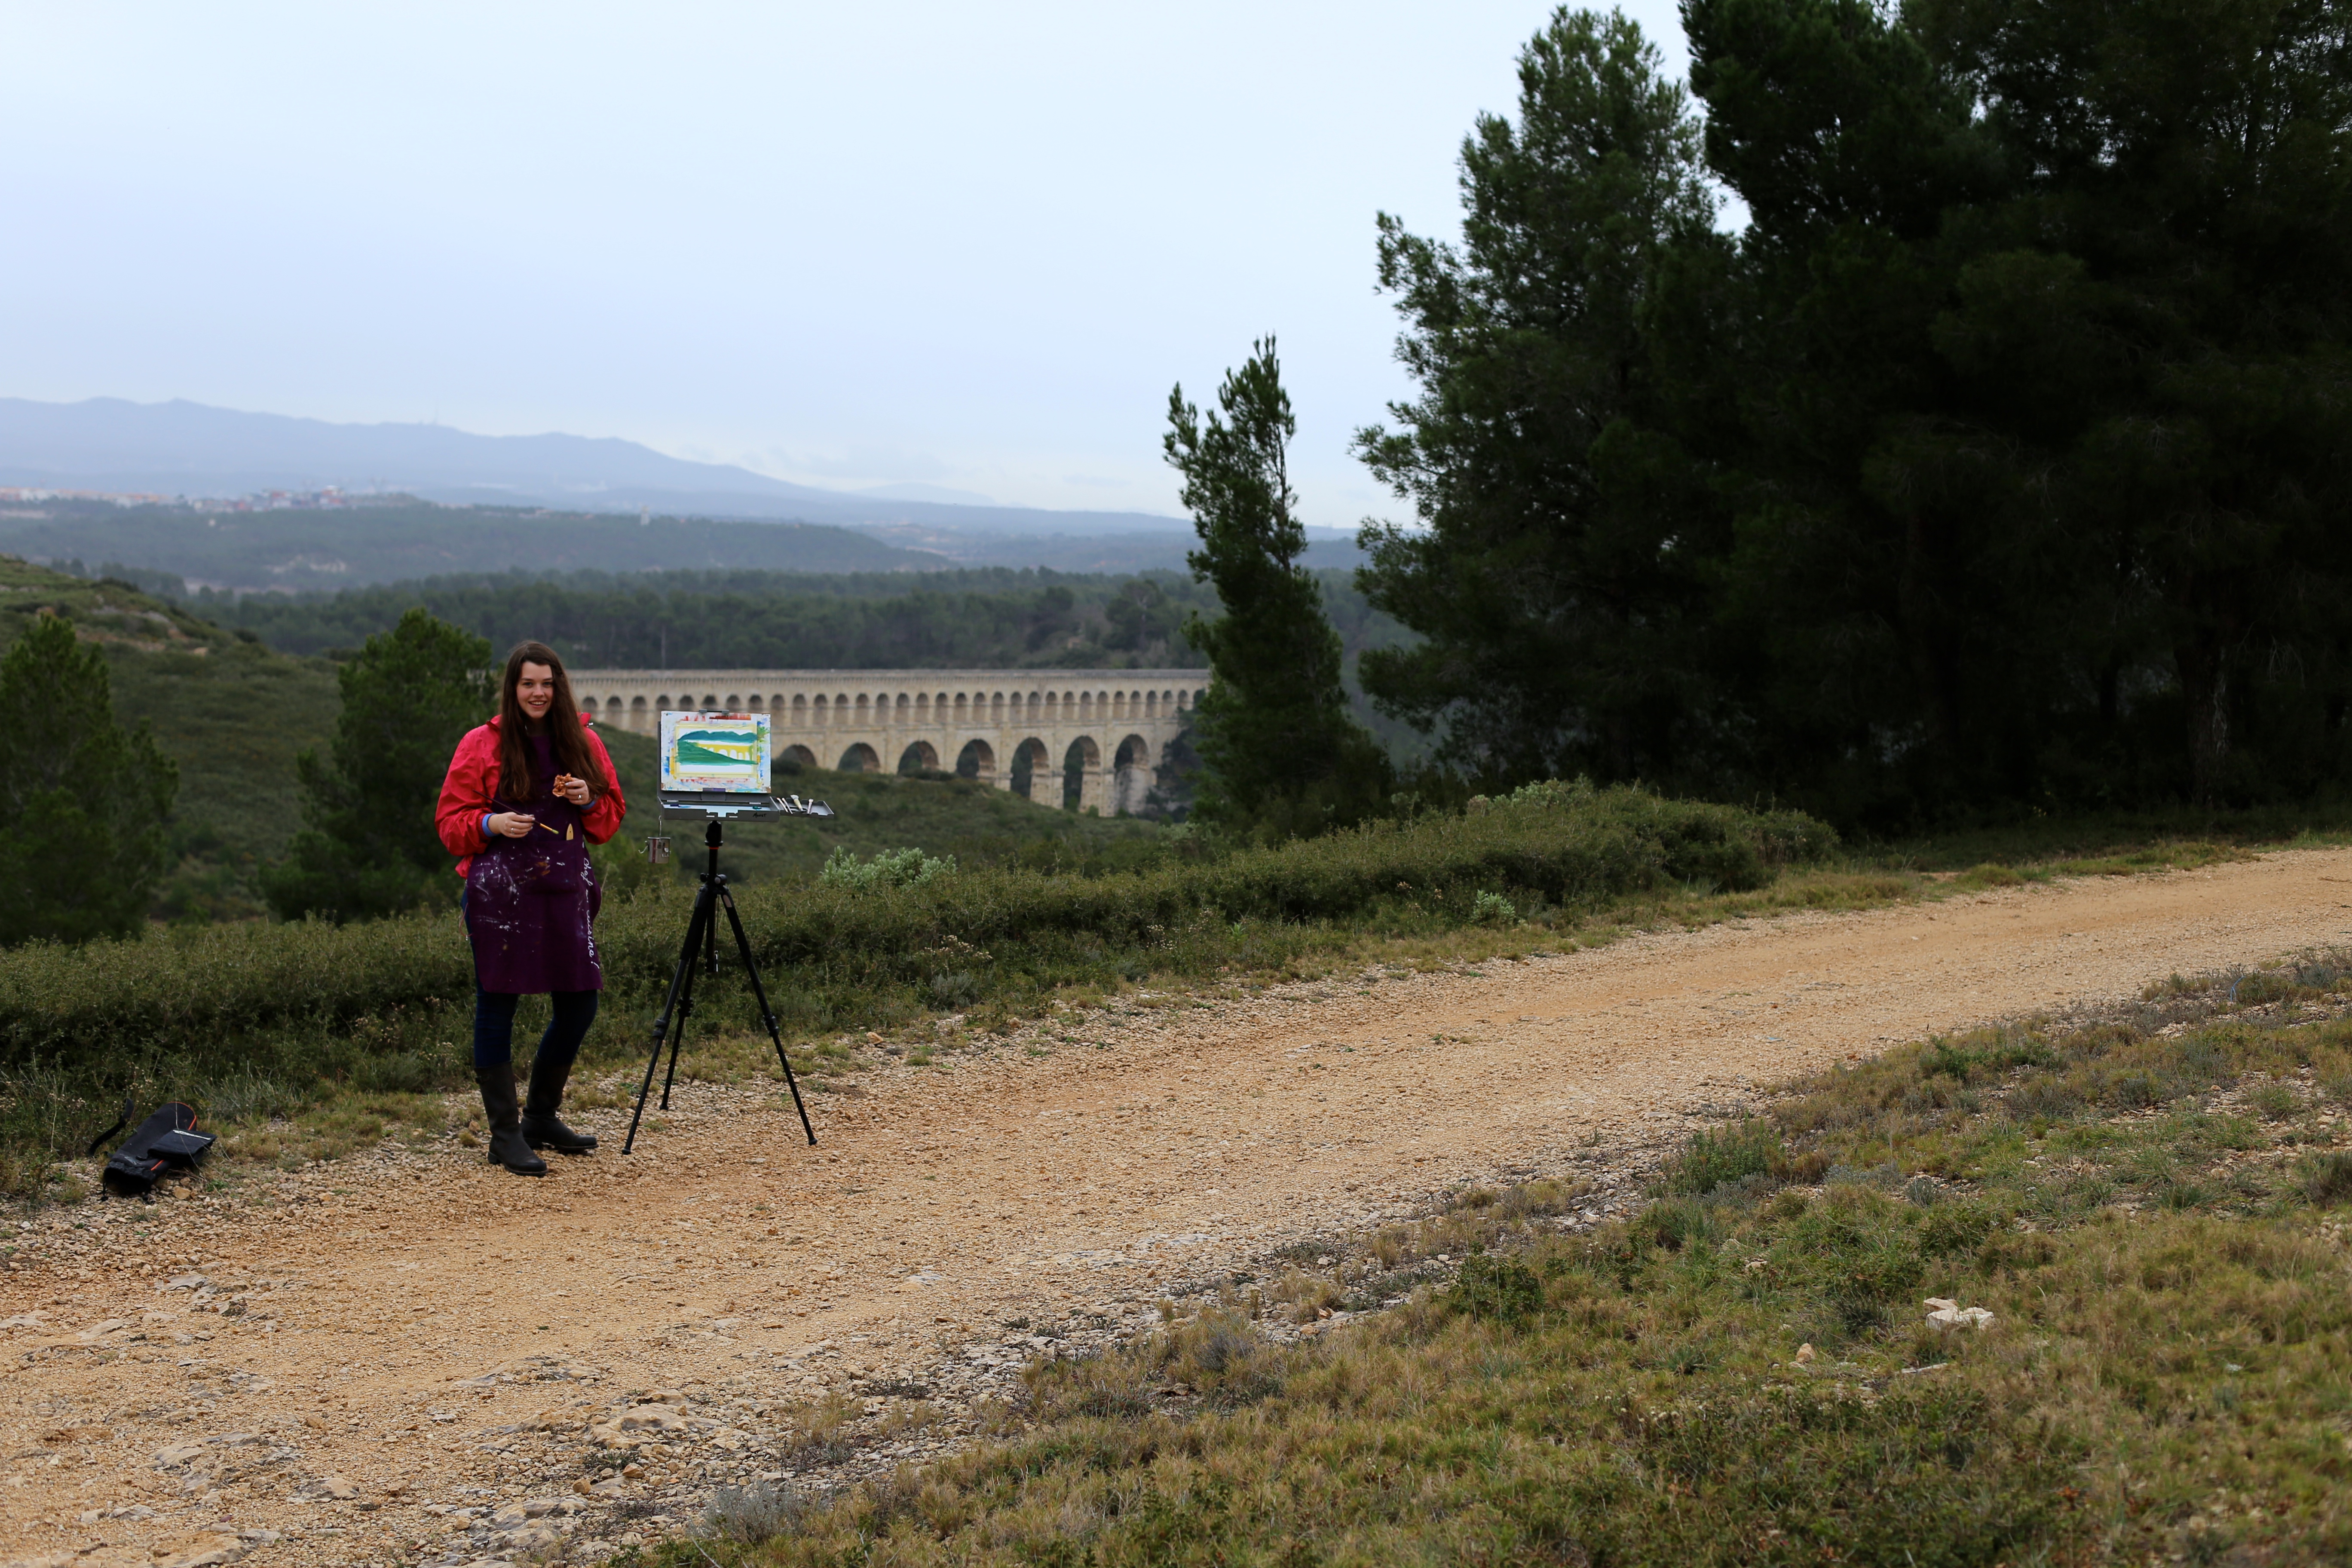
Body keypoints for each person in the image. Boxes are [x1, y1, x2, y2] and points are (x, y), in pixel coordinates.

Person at [435, 641, 628, 1176]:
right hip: (502, 897)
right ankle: (504, 1135)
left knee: (581, 1003)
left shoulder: (583, 741)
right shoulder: (481, 744)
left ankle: (541, 1116)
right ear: (513, 689)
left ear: (559, 687)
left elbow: (610, 820)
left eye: (547, 683)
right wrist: (491, 824)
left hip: (566, 891)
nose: (538, 693)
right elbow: (450, 822)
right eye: (528, 684)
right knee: (498, 1006)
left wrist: (586, 798)